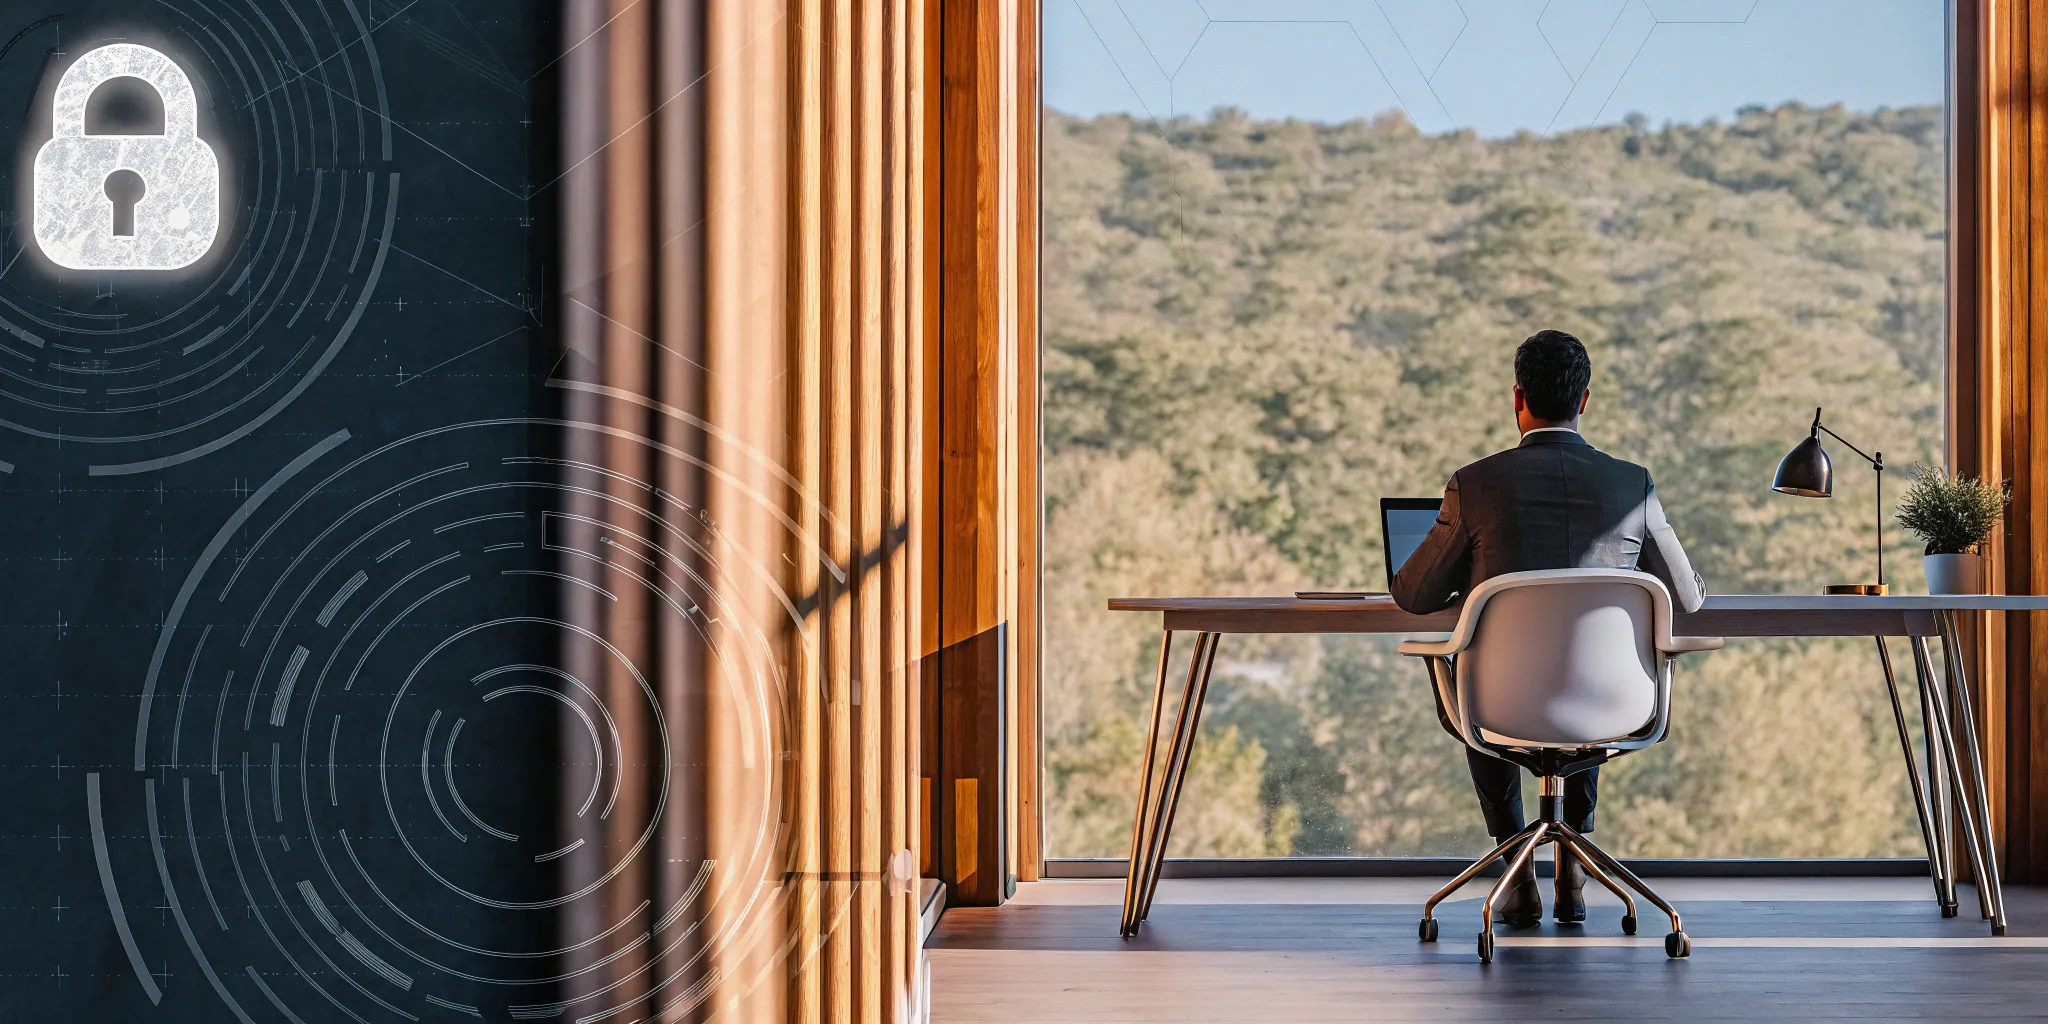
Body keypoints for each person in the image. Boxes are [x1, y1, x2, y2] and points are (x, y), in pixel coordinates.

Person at [1390, 328, 1706, 926]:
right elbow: (1686, 597)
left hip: (1500, 705)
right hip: (1613, 704)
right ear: (1585, 400)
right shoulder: (1631, 484)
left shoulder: (1475, 484)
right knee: (1582, 678)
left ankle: (1512, 861)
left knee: (1470, 665)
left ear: (1517, 399)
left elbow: (1414, 593)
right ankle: (1573, 862)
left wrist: (1479, 583)